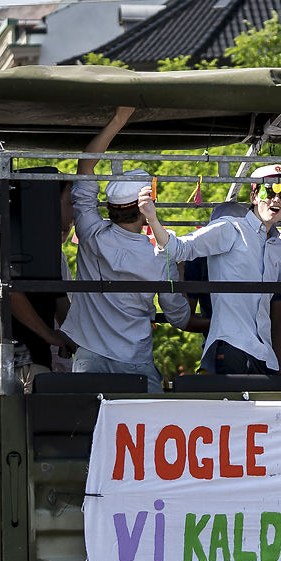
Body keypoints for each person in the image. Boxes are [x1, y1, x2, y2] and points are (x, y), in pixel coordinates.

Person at [145, 164, 281, 377]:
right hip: (231, 346)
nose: (276, 199)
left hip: (262, 354)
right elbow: (179, 249)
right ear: (254, 197)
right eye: (268, 192)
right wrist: (153, 220)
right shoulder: (230, 228)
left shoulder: (278, 249)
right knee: (231, 406)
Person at [63, 163, 190, 391]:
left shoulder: (90, 234)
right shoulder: (161, 256)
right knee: (151, 421)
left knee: (86, 423)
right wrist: (180, 272)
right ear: (145, 208)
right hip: (134, 358)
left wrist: (116, 125)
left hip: (89, 355)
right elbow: (178, 317)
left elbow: (85, 177)